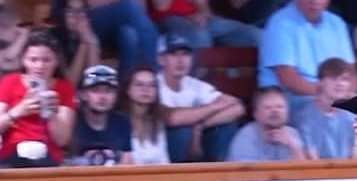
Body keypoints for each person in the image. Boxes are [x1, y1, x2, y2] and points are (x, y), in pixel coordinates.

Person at [259, 0, 354, 127]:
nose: (315, 1)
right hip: (291, 97)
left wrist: (345, 95)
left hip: (332, 94)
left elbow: (351, 71)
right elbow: (288, 79)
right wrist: (330, 96)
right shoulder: (280, 23)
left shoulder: (336, 23)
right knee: (328, 113)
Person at [0, 28, 76, 167]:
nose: (40, 66)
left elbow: (62, 140)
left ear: (56, 61)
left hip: (48, 158)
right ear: (23, 60)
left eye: (46, 60)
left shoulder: (64, 88)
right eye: (33, 60)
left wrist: (52, 113)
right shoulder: (9, 81)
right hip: (12, 155)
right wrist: (18, 111)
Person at [157, 34, 244, 162]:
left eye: (185, 54)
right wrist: (214, 107)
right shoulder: (153, 83)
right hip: (164, 145)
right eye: (174, 54)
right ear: (161, 59)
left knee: (225, 127)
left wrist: (200, 125)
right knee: (183, 131)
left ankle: (219, 174)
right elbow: (172, 118)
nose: (180, 60)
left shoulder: (195, 85)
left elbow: (237, 107)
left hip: (196, 142)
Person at [70, 65, 133, 165]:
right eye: (95, 90)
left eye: (108, 91)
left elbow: (127, 163)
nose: (102, 97)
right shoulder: (71, 121)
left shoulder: (122, 123)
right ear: (82, 94)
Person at [297, 59, 357, 158]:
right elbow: (311, 161)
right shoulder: (304, 118)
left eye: (344, 79)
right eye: (334, 78)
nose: (340, 83)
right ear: (320, 82)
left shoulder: (353, 118)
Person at [227, 87, 306, 161]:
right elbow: (244, 172)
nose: (275, 111)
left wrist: (294, 147)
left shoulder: (293, 134)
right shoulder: (246, 136)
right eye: (268, 107)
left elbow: (303, 172)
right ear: (256, 114)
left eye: (280, 107)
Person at [117, 65, 170, 164]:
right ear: (127, 90)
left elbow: (164, 162)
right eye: (139, 84)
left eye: (152, 85)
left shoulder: (158, 122)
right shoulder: (117, 123)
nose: (146, 89)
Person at [48, 0, 100, 85]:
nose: (77, 16)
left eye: (81, 10)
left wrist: (91, 43)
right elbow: (70, 83)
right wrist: (83, 43)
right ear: (60, 13)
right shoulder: (52, 38)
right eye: (70, 11)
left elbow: (95, 78)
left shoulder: (89, 35)